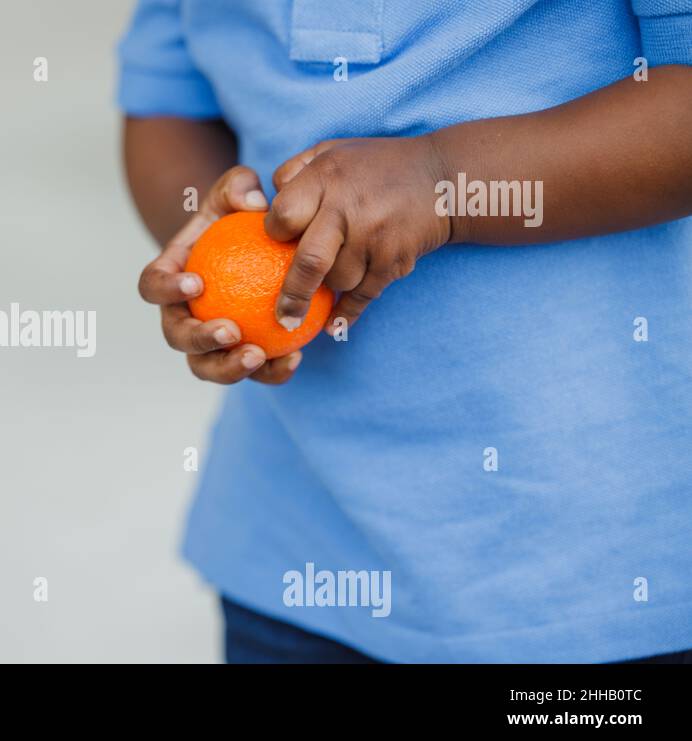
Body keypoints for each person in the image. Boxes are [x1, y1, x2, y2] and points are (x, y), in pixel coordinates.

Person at [120, 0, 692, 663]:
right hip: (295, 555)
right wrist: (209, 258)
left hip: (602, 582)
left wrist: (443, 182)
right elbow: (165, 95)